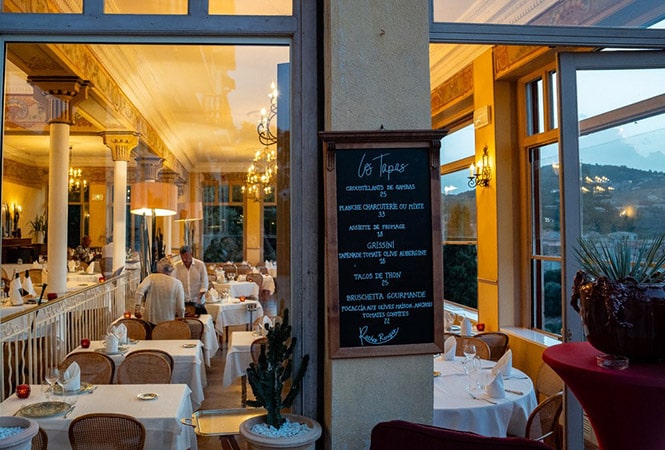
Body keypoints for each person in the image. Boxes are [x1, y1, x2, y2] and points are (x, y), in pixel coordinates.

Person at [135, 257, 185, 325]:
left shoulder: (151, 277)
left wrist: (137, 308)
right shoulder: (177, 283)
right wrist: (181, 317)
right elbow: (181, 307)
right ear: (172, 269)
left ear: (159, 267)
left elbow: (139, 290)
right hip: (168, 322)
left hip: (149, 321)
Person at [173, 245, 209, 314]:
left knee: (200, 320)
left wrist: (199, 296)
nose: (184, 260)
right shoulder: (176, 266)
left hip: (198, 300)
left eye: (186, 256)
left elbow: (204, 283)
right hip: (183, 300)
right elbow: (174, 283)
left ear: (191, 254)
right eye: (182, 257)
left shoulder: (200, 265)